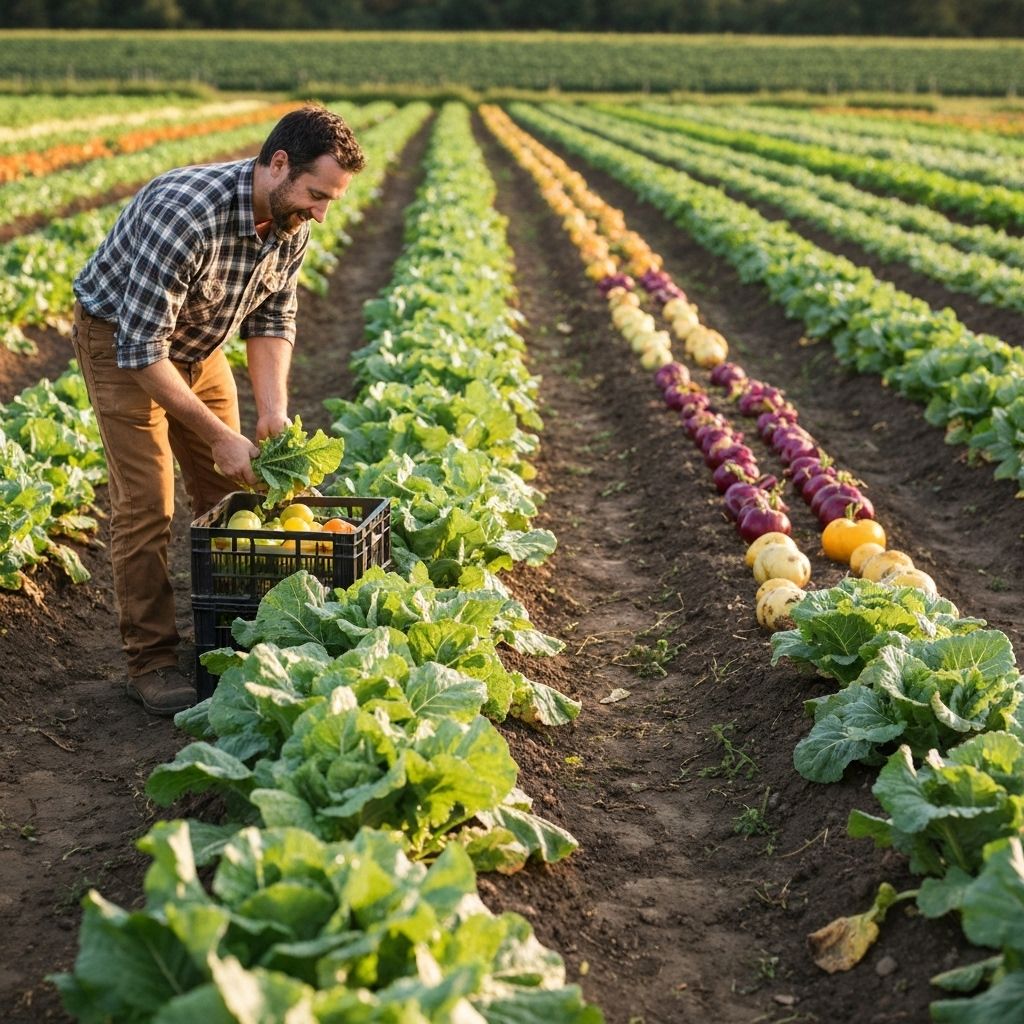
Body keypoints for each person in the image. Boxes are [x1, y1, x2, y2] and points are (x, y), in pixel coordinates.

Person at [71, 104, 365, 716]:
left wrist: (272, 411)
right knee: (148, 504)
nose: (321, 212)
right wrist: (218, 433)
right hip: (123, 344)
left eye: (331, 199)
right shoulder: (185, 213)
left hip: (200, 344)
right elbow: (141, 349)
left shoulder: (292, 221)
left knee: (233, 495)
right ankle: (150, 661)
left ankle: (235, 630)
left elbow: (271, 316)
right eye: (317, 194)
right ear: (277, 164)